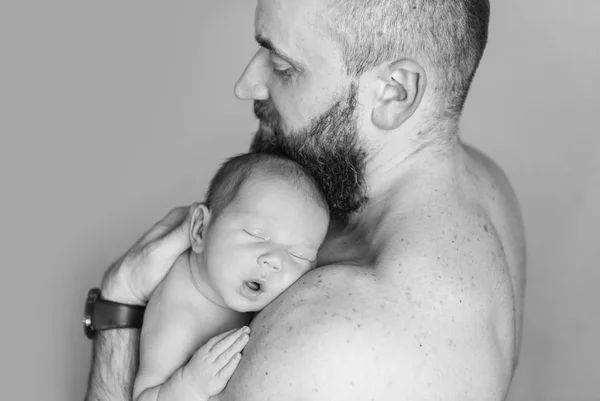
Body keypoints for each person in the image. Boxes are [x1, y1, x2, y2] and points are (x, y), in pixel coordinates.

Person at [85, 0, 527, 400]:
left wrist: (119, 303)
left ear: (394, 92)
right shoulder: (487, 187)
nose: (247, 85)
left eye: (282, 65)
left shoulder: (319, 338)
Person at [132, 153, 330, 401]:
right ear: (200, 230)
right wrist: (189, 387)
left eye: (298, 255)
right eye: (257, 235)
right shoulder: (177, 320)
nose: (276, 260)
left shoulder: (225, 284)